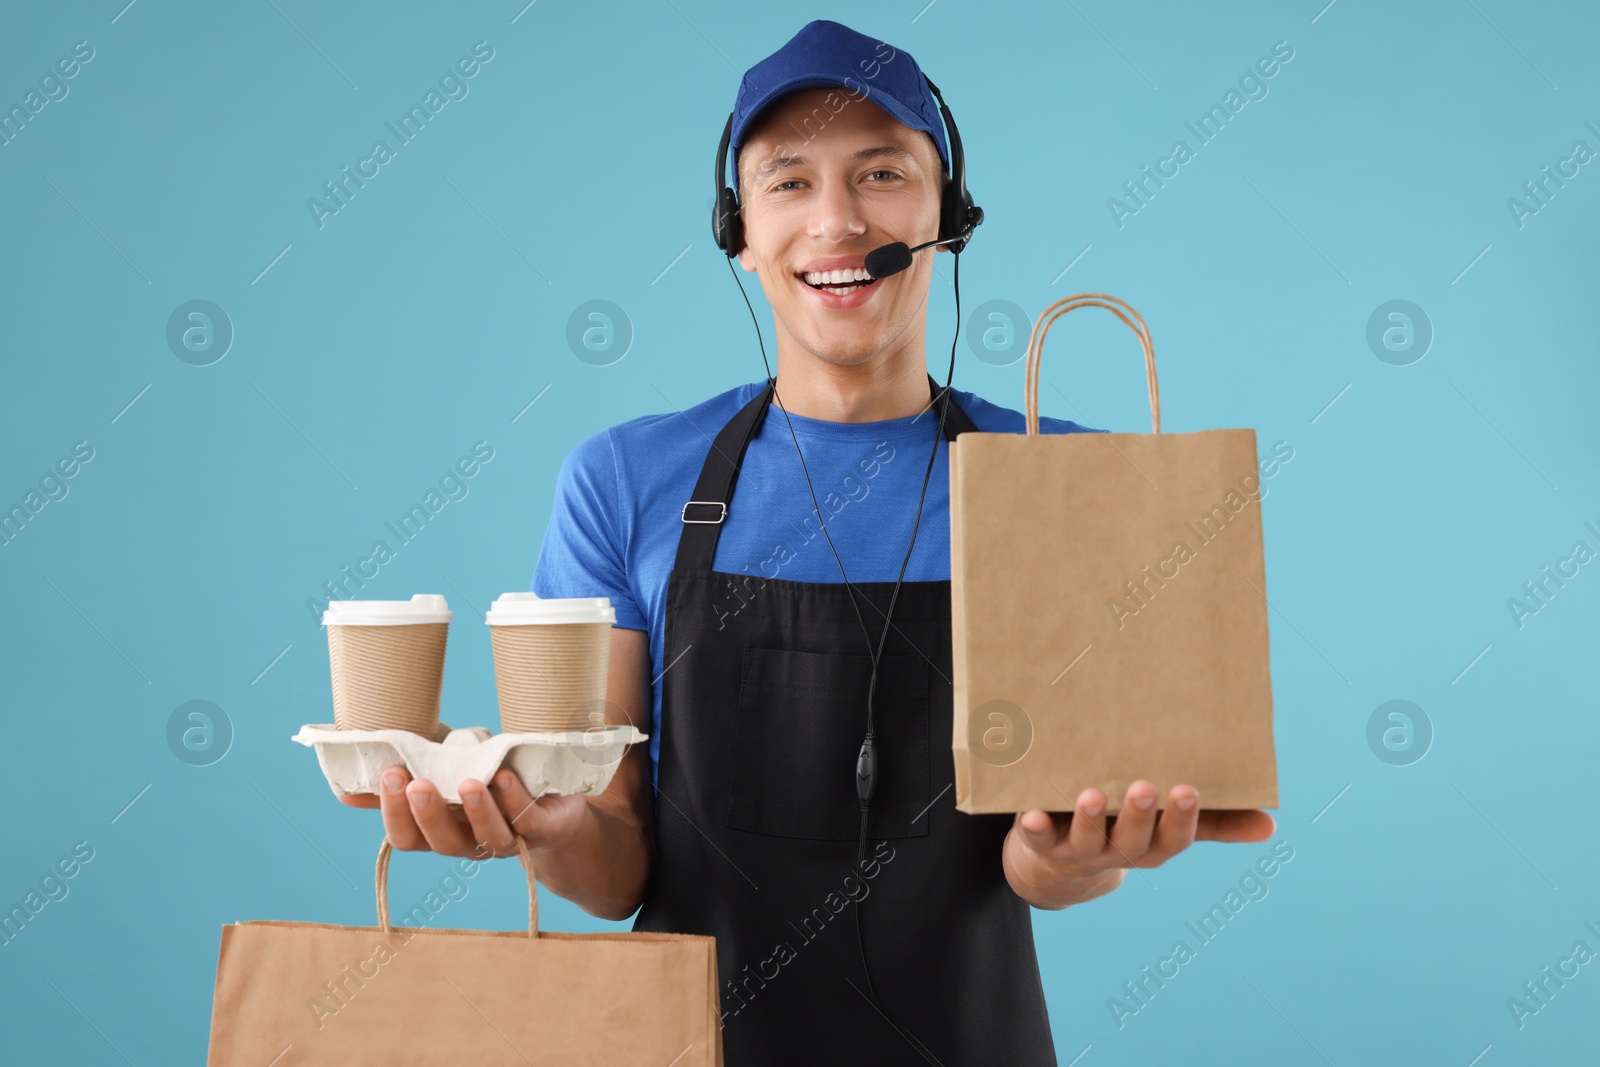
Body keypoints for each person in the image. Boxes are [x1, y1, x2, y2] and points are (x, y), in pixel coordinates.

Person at [342, 19, 1275, 1065]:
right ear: (737, 231)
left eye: (881, 172)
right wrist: (544, 828)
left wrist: (1076, 855)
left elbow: (1044, 859)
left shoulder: (1070, 486)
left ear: (947, 215)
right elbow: (616, 866)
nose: (835, 221)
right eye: (788, 183)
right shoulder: (625, 480)